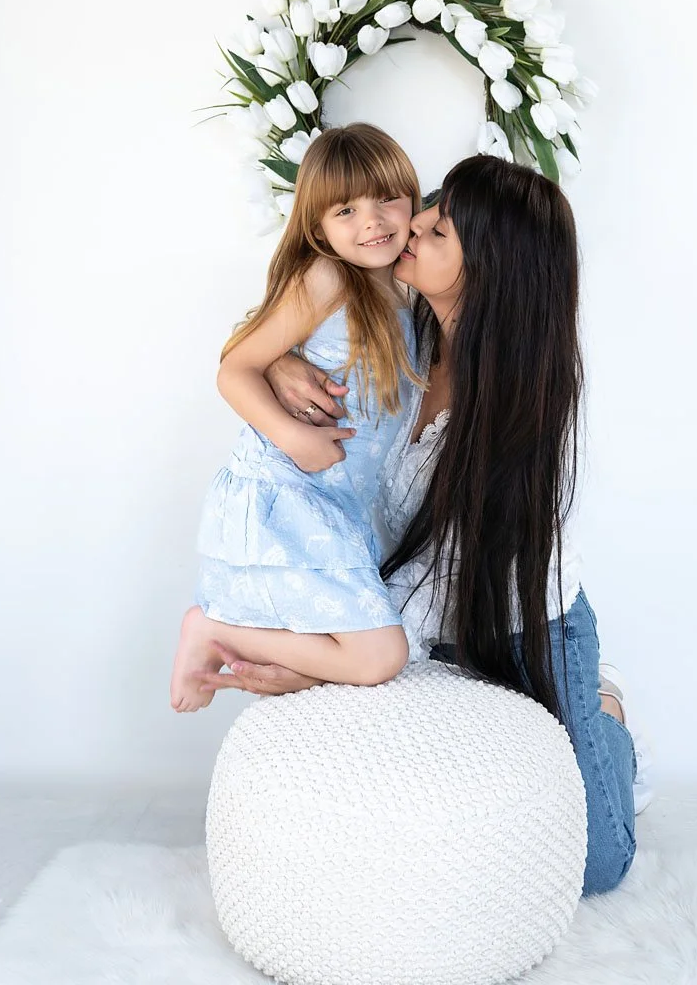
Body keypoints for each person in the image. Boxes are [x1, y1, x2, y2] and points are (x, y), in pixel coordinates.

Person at [195, 154, 653, 896]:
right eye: (427, 213)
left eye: (436, 230)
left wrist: (328, 659)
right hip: (424, 607)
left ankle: (606, 710)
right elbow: (270, 327)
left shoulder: (510, 405)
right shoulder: (401, 322)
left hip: (522, 621)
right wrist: (278, 366)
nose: (408, 228)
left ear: (487, 266)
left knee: (599, 866)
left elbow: (444, 572)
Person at [169, 123, 426, 712]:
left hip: (340, 506)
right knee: (380, 656)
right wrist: (291, 435)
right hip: (289, 494)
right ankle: (211, 630)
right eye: (347, 209)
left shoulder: (406, 290)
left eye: (388, 197)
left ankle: (255, 649)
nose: (374, 221)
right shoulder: (328, 278)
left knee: (380, 648)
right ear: (317, 227)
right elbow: (235, 368)